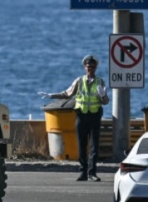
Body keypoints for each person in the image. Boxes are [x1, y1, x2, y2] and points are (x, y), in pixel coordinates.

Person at [39, 54, 109, 182]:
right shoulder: (79, 81)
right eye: (88, 66)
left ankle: (92, 173)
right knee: (81, 146)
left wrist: (103, 95)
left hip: (94, 117)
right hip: (81, 117)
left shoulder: (100, 82)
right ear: (84, 67)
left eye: (93, 67)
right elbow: (67, 94)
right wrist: (51, 95)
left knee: (94, 147)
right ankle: (83, 173)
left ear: (96, 68)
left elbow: (105, 102)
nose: (90, 69)